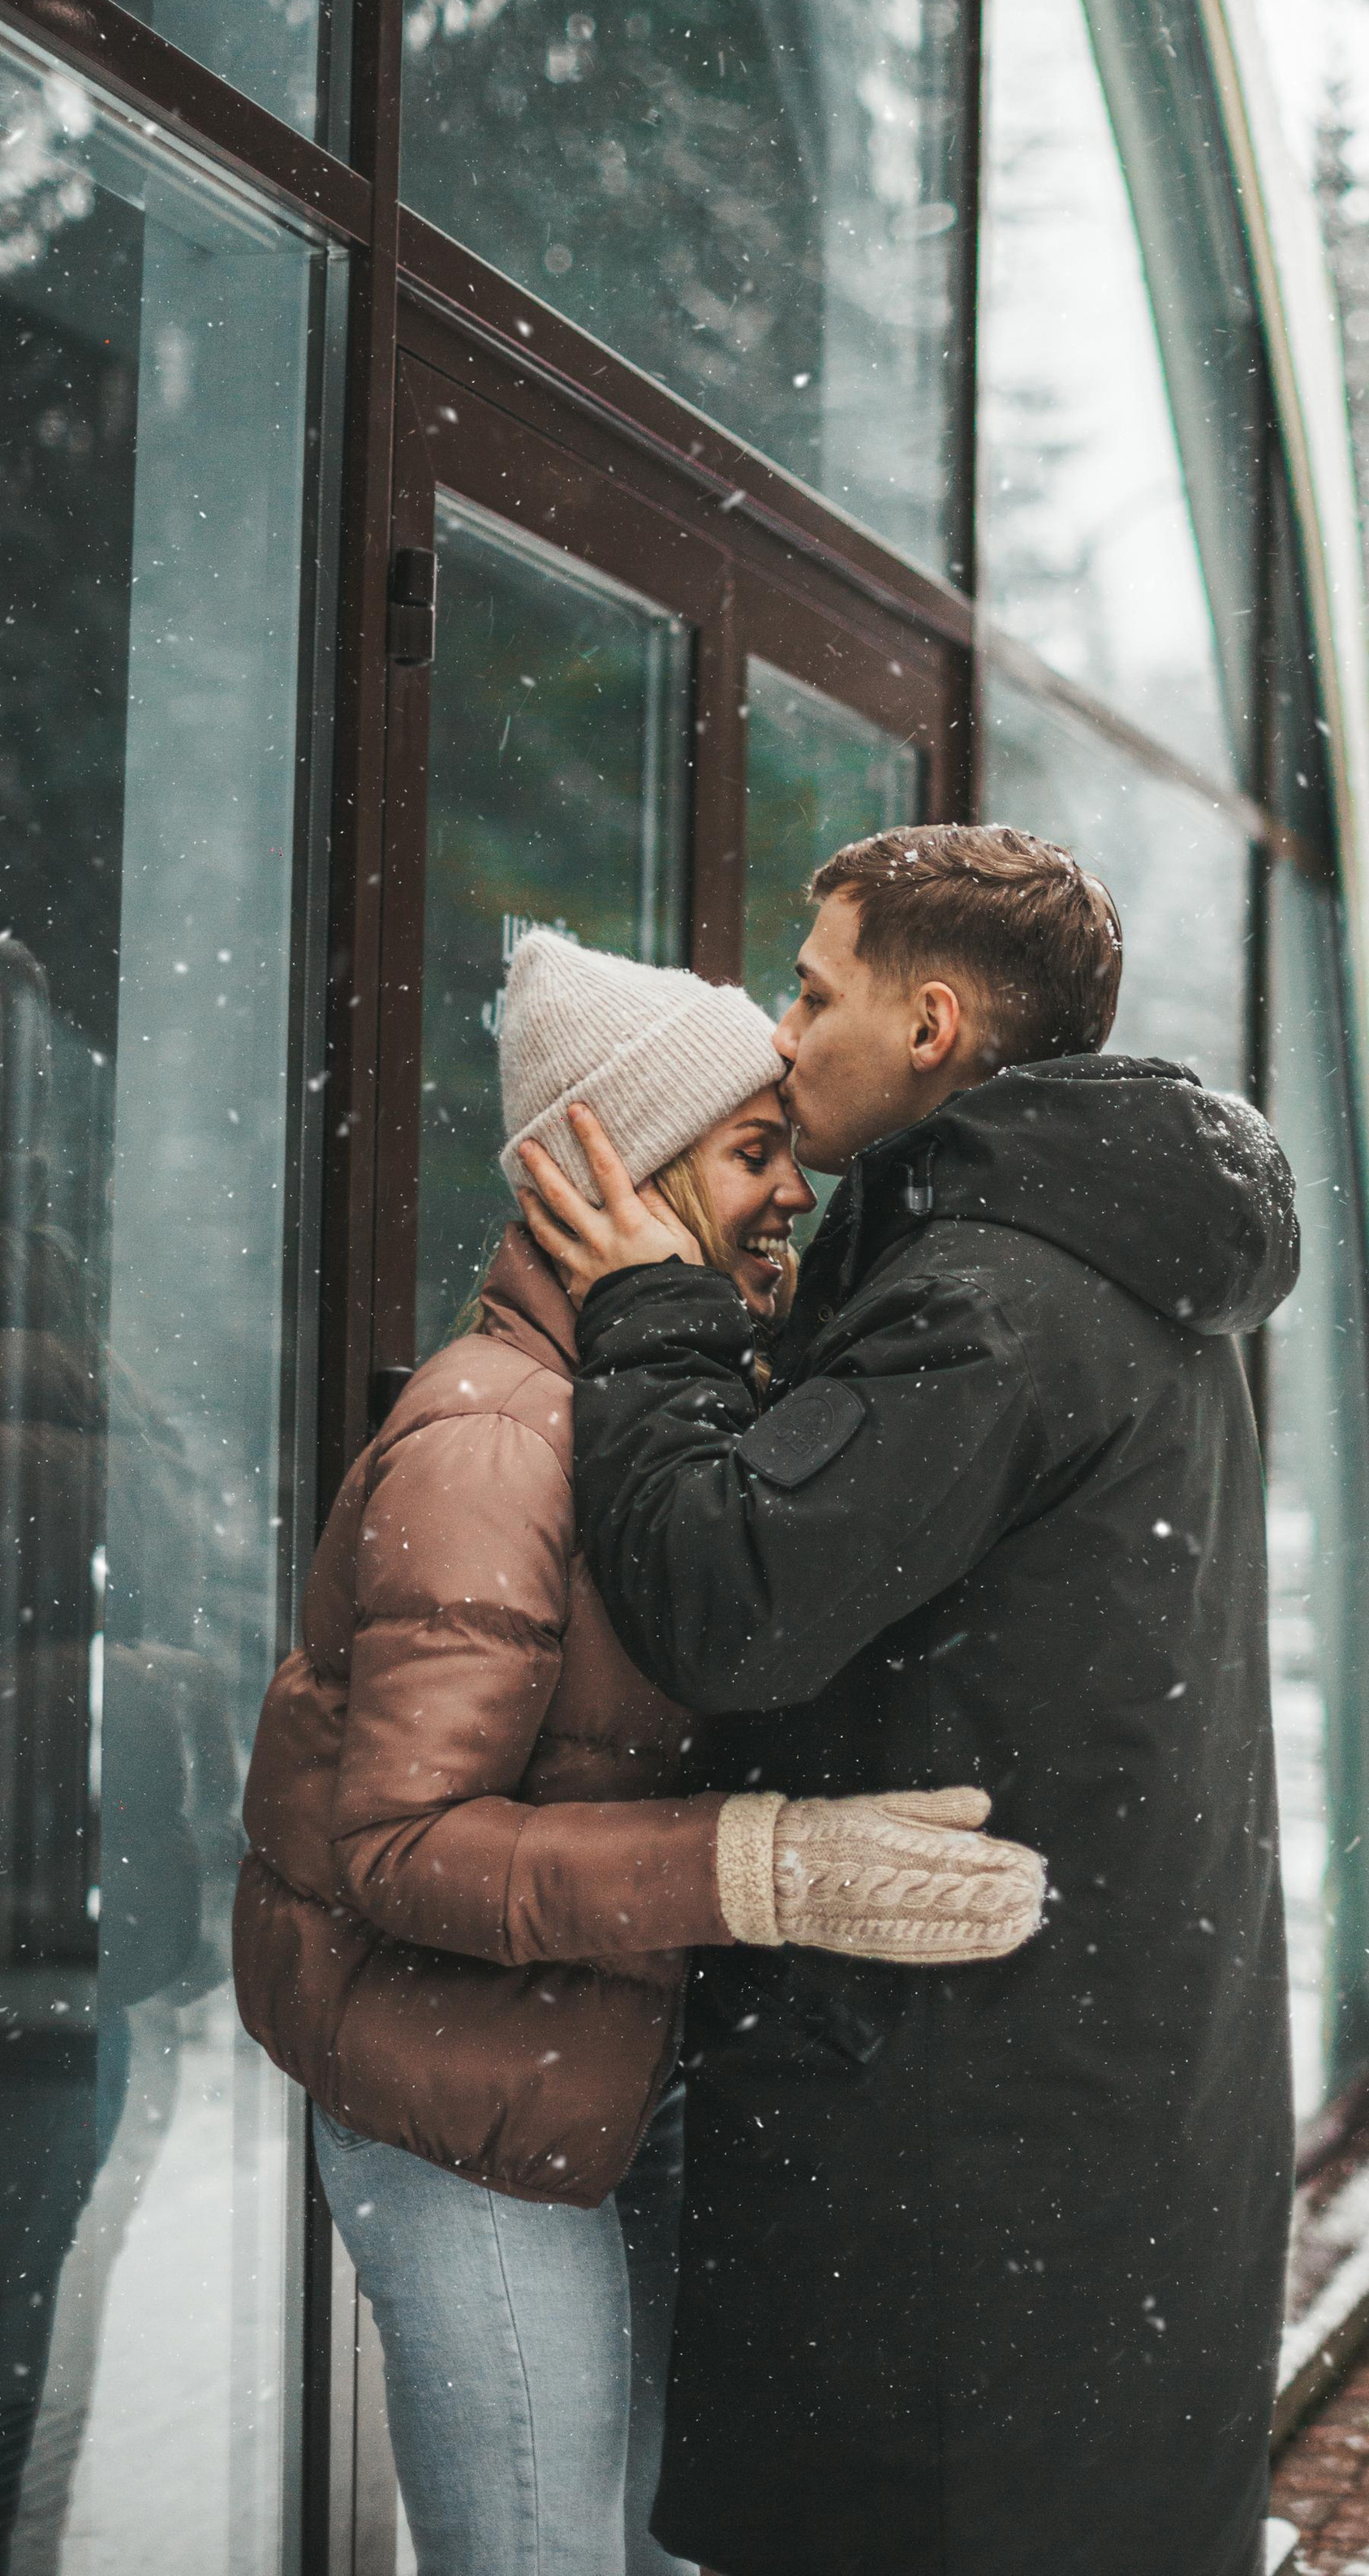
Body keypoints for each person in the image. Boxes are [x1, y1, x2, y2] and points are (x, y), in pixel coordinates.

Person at [516, 826, 1301, 2576]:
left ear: (931, 1022)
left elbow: (733, 1604)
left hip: (967, 2143)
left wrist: (647, 1309)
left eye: (813, 990)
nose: (781, 1038)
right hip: (1081, 2108)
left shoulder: (994, 1294)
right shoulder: (1094, 1259)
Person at [234, 932, 1046, 2576]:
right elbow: (394, 1849)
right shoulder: (490, 1437)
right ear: (610, 1169)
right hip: (458, 2110)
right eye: (752, 1153)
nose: (795, 1193)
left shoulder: (666, 1407)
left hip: (606, 2076)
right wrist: (755, 1867)